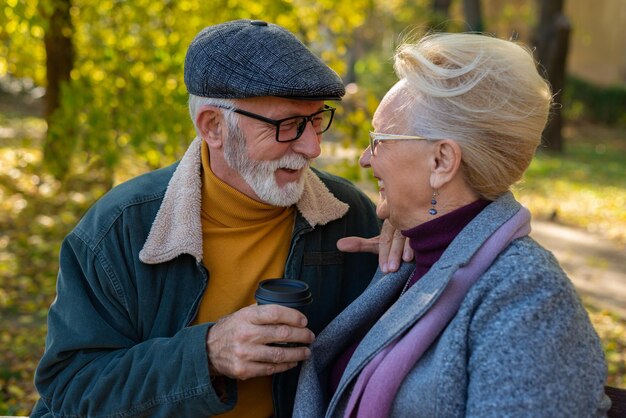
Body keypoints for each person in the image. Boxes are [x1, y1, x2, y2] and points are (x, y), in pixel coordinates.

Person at [31, 19, 405, 418]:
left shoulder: (349, 215)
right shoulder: (119, 229)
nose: (312, 147)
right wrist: (206, 355)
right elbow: (70, 386)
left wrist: (420, 248)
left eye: (316, 121)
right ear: (213, 126)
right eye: (289, 126)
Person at [294, 32, 610, 417]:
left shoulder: (530, 298)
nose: (364, 159)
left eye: (379, 140)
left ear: (442, 161)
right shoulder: (414, 255)